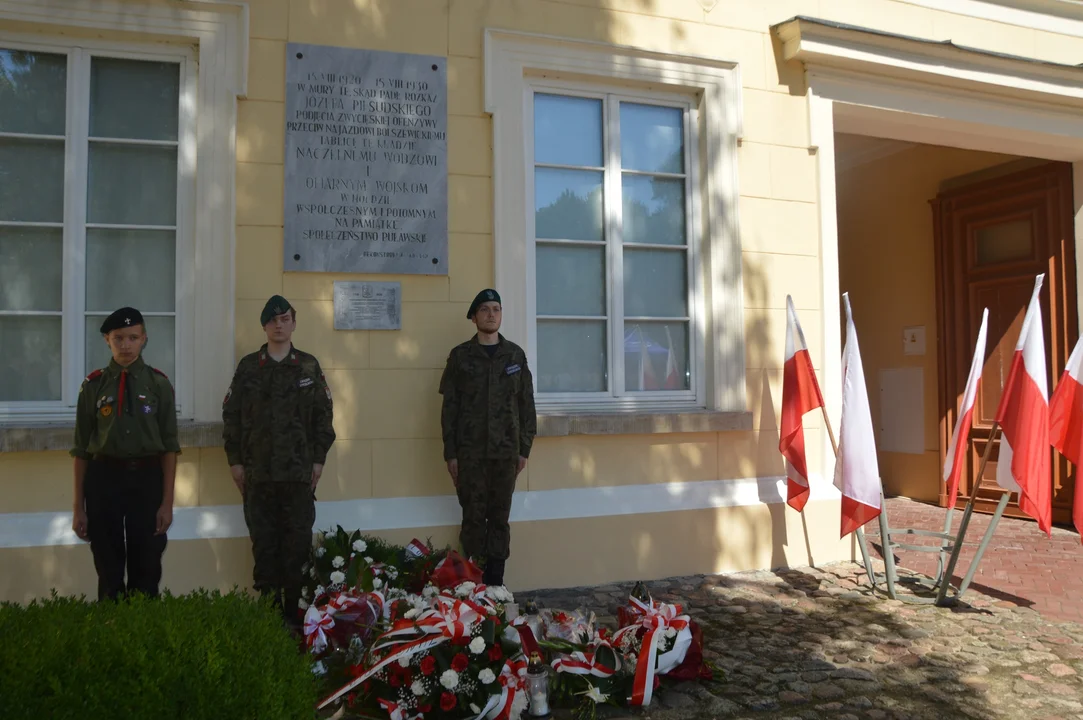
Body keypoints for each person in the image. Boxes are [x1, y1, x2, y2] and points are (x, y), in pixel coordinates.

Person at [222, 295, 335, 628]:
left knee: (297, 548)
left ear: (294, 323)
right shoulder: (248, 367)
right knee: (265, 548)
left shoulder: (308, 366)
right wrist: (235, 462)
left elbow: (323, 417)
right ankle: (269, 623)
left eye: (285, 318)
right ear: (264, 326)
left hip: (299, 477)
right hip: (259, 477)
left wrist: (318, 462)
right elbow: (232, 416)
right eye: (273, 320)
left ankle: (295, 620)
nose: (279, 325)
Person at [71, 307, 179, 601]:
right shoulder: (93, 386)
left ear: (144, 339)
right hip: (103, 479)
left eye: (133, 337)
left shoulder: (158, 384)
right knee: (108, 565)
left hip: (146, 479)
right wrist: (78, 507)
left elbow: (170, 447)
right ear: (107, 339)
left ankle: (143, 633)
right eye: (118, 338)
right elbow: (81, 449)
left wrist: (167, 503)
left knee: (146, 563)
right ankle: (112, 632)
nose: (126, 345)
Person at [439, 288, 537, 587]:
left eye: (496, 308)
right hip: (470, 455)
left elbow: (527, 407)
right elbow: (449, 411)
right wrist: (451, 453)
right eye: (485, 309)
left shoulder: (515, 355)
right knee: (472, 518)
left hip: (506, 454)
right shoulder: (460, 357)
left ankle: (495, 584)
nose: (491, 314)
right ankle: (472, 583)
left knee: (498, 519)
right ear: (474, 317)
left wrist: (524, 450)